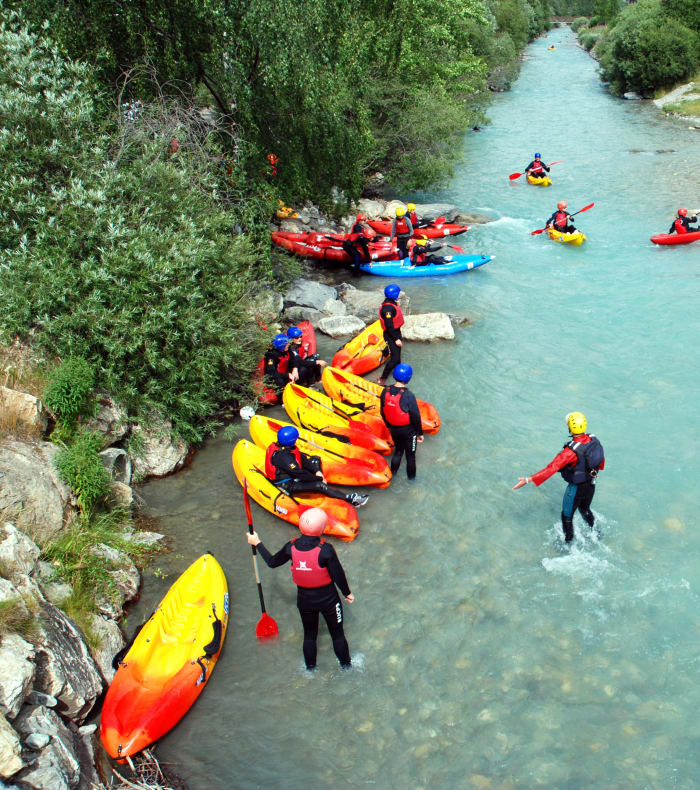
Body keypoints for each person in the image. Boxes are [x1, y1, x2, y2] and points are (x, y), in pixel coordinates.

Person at [246, 507, 354, 670]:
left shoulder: (290, 547)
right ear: (322, 529)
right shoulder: (326, 550)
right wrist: (347, 593)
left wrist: (257, 543)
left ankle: (310, 669)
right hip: (329, 600)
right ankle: (346, 668)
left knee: (309, 635)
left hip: (304, 601)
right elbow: (338, 575)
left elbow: (272, 562)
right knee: (337, 634)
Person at [512, 412, 605, 544]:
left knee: (566, 516)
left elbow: (552, 468)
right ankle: (598, 534)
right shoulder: (594, 440)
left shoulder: (570, 452)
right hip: (591, 484)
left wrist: (528, 479)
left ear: (570, 428)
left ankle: (568, 545)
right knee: (585, 509)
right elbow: (601, 461)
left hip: (576, 488)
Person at [266, 425, 369, 507]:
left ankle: (324, 484)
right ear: (291, 441)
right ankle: (352, 499)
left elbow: (302, 458)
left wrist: (317, 471)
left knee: (315, 460)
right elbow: (300, 474)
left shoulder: (286, 447)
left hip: (293, 473)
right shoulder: (284, 457)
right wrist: (318, 479)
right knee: (318, 485)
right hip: (288, 484)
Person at [380, 363, 424, 480]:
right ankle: (412, 481)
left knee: (398, 451)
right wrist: (420, 433)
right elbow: (415, 416)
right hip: (409, 431)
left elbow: (382, 411)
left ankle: (392, 476)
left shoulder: (385, 391)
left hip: (394, 429)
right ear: (408, 377)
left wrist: (389, 426)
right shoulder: (408, 395)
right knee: (410, 457)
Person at [377, 284, 403, 386]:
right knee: (394, 359)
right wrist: (396, 339)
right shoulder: (387, 309)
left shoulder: (391, 303)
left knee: (397, 358)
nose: (399, 295)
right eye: (398, 293)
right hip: (391, 335)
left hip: (396, 332)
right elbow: (389, 326)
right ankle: (382, 379)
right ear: (394, 294)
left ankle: (399, 377)